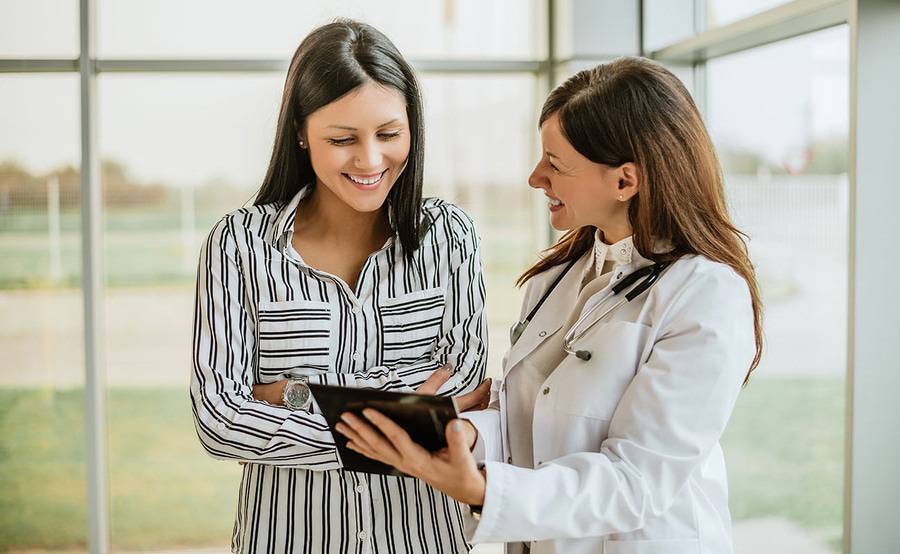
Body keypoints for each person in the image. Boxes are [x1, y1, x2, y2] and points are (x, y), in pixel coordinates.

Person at [336, 56, 764, 554]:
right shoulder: (554, 278)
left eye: (556, 165)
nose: (536, 177)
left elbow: (637, 479)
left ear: (625, 181)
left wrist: (484, 490)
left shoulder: (706, 294)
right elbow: (531, 420)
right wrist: (463, 436)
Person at [190, 19, 490, 554]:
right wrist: (403, 417)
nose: (371, 160)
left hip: (425, 540)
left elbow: (465, 387)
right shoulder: (238, 245)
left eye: (389, 134)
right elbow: (219, 418)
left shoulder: (451, 235)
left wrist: (295, 396)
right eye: (342, 139)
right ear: (301, 133)